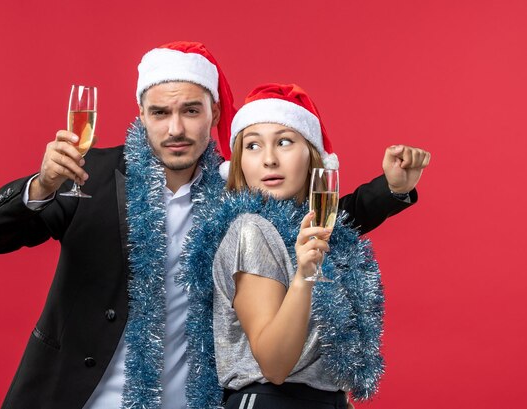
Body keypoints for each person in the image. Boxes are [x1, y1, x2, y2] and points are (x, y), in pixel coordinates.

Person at [0, 42, 427, 409]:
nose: (175, 129)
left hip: (191, 399)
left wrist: (390, 189)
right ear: (141, 115)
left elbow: (317, 216)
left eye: (190, 110)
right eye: (160, 113)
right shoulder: (91, 174)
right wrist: (41, 185)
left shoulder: (237, 187)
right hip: (76, 393)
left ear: (214, 115)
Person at [185, 83, 431, 408]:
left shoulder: (311, 223)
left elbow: (347, 214)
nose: (269, 159)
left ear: (311, 156)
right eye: (253, 146)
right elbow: (274, 365)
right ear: (240, 163)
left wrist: (393, 187)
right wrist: (304, 276)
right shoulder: (251, 230)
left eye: (284, 142)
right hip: (270, 399)